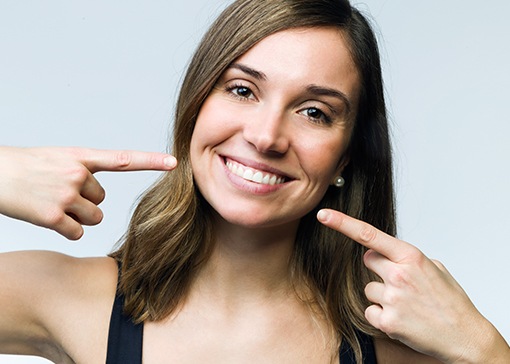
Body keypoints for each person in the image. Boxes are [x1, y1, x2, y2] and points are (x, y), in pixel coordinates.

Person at [0, 0, 508, 363]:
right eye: (242, 90)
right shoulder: (67, 298)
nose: (266, 136)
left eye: (314, 111)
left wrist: (482, 348)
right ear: (196, 104)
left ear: (346, 159)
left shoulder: (394, 340)